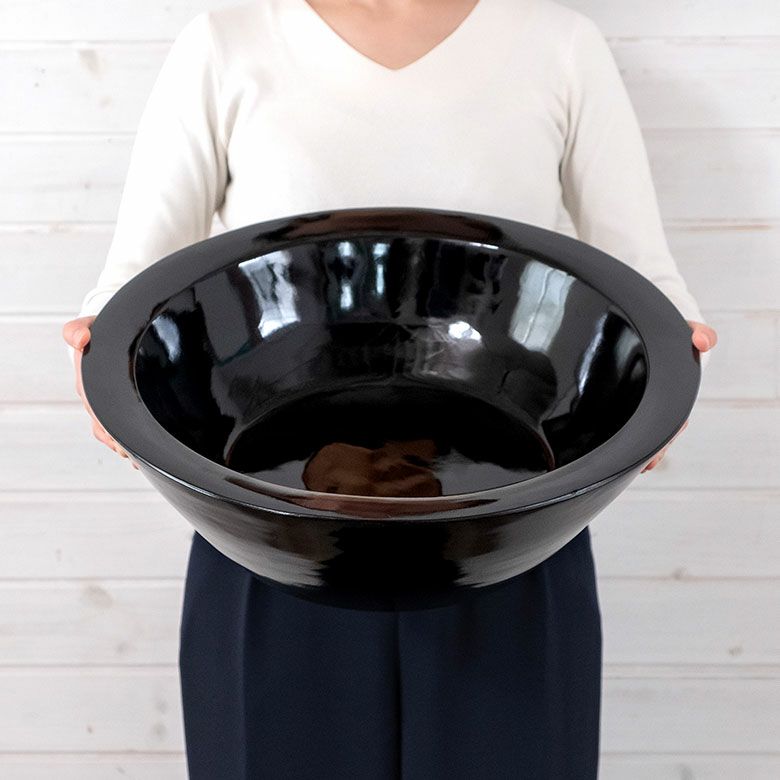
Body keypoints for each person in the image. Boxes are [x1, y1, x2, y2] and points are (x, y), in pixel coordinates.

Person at [62, 1, 718, 777]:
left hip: (511, 535)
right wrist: (99, 352)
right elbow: (136, 288)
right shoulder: (227, 44)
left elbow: (643, 284)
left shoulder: (559, 46)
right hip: (273, 539)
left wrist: (670, 365)